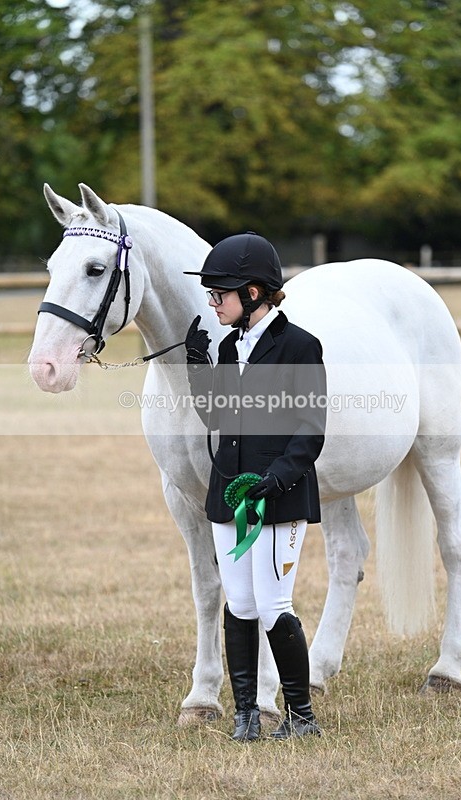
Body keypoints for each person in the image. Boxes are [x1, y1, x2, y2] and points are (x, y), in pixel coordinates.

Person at [183, 232, 326, 742]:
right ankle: (245, 714)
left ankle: (301, 717)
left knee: (273, 604)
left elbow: (311, 428)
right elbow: (218, 417)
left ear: (253, 292)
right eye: (210, 295)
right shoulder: (228, 347)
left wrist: (277, 478)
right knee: (240, 603)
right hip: (230, 494)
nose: (212, 303)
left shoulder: (300, 346)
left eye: (219, 294)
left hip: (278, 496)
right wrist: (198, 369)